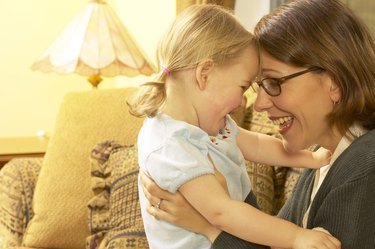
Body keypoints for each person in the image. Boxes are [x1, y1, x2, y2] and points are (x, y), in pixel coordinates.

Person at [140, 0, 375, 248]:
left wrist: (207, 226)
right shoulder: (326, 160)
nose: (258, 104)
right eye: (255, 85)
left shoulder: (364, 169)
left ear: (334, 83)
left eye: (274, 82)